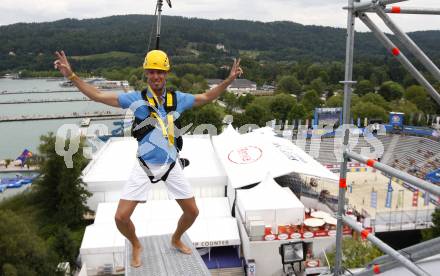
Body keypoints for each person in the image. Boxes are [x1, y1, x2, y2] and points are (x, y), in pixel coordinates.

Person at [53, 50, 243, 267]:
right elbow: (97, 95)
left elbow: (207, 97)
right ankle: (136, 244)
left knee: (192, 212)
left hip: (171, 164)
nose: (156, 76)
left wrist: (228, 80)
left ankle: (176, 238)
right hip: (144, 165)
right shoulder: (135, 99)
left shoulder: (177, 99)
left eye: (160, 72)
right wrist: (72, 76)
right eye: (152, 72)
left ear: (166, 74)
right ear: (146, 74)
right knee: (120, 218)